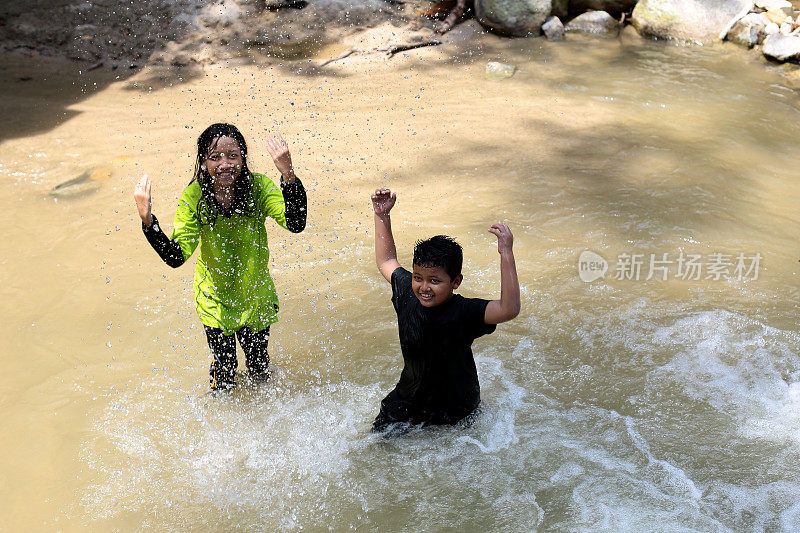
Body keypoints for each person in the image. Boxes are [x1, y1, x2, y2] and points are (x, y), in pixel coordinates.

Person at [134, 123, 307, 390]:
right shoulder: (194, 197)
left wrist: (288, 175)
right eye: (215, 157)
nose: (224, 164)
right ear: (203, 162)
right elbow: (176, 256)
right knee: (224, 376)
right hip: (214, 301)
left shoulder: (258, 188)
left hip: (255, 298)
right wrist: (148, 221)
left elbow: (295, 223)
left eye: (232, 156)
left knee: (259, 368)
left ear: (243, 159)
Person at [370, 188, 520, 431]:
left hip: (456, 408)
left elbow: (508, 309)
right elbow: (386, 261)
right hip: (408, 399)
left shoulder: (464, 311)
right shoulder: (408, 292)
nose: (424, 287)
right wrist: (382, 215)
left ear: (455, 282)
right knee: (374, 447)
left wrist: (506, 253)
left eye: (435, 281)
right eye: (418, 277)